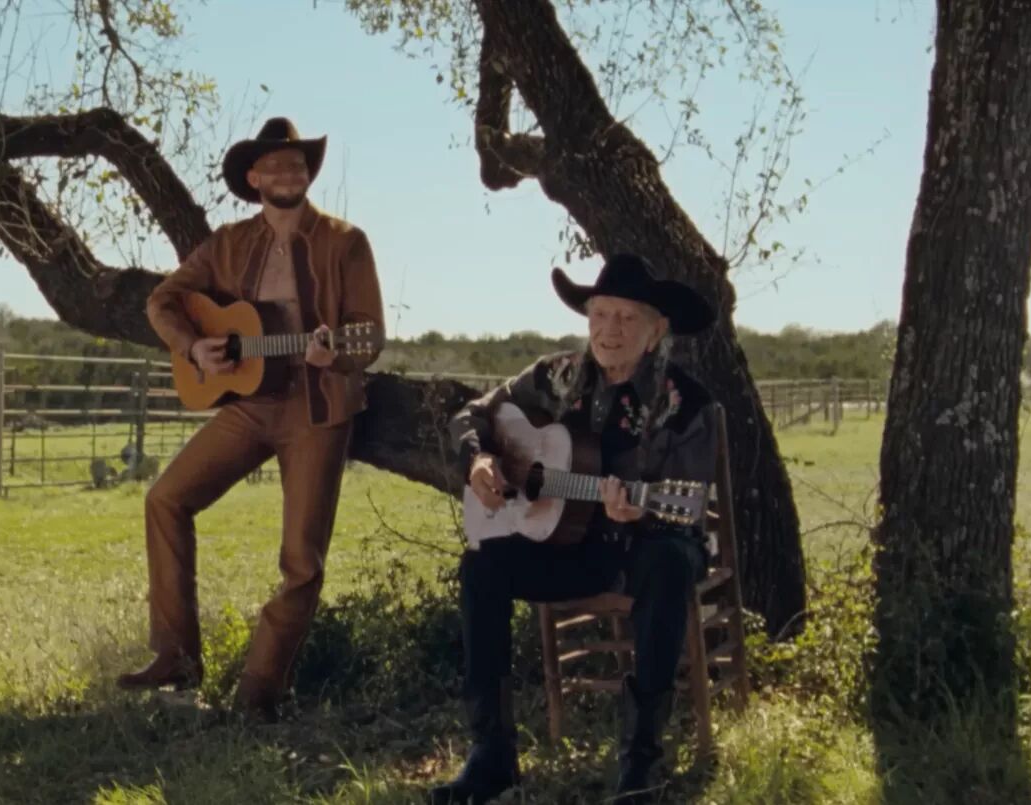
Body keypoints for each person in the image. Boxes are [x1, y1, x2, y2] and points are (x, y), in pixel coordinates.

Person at [116, 117, 385, 721]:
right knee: (165, 499)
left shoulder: (347, 241)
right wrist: (192, 347)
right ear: (253, 176)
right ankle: (176, 657)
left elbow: (371, 335)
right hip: (249, 405)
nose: (289, 173)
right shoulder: (227, 244)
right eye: (276, 165)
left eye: (298, 164)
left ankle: (258, 694)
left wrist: (334, 351)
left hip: (317, 409)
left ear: (307, 174)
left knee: (301, 562)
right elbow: (161, 301)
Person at [432, 254, 719, 804]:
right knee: (482, 567)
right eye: (600, 314)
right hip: (571, 548)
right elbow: (473, 413)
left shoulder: (686, 404)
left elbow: (689, 501)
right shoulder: (556, 376)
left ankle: (641, 764)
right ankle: (491, 757)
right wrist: (479, 460)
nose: (610, 330)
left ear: (657, 330)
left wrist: (640, 511)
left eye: (627, 318)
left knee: (668, 563)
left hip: (648, 542)